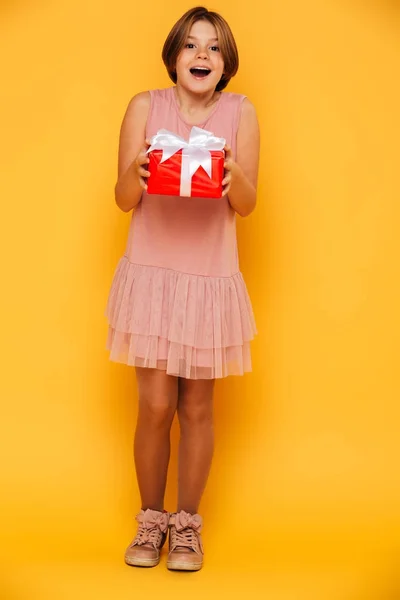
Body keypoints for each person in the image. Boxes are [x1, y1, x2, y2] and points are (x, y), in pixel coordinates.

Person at [105, 5, 260, 571]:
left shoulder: (241, 113)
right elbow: (123, 198)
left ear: (226, 63)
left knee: (197, 406)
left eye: (214, 48)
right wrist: (139, 170)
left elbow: (246, 204)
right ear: (173, 56)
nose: (202, 55)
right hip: (152, 273)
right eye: (191, 45)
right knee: (153, 405)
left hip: (208, 278)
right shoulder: (146, 106)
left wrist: (231, 174)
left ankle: (187, 526)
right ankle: (150, 520)